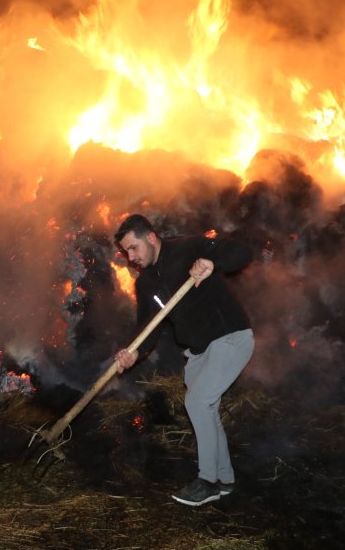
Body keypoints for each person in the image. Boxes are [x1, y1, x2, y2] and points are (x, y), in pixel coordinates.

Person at [113, 214, 254, 507]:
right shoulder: (147, 284)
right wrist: (132, 352)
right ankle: (225, 480)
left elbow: (241, 252)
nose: (131, 257)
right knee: (207, 409)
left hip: (230, 337)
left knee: (197, 402)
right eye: (126, 251)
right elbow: (147, 328)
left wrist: (213, 262)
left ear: (151, 237)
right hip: (198, 351)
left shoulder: (189, 248)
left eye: (133, 247)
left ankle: (208, 481)